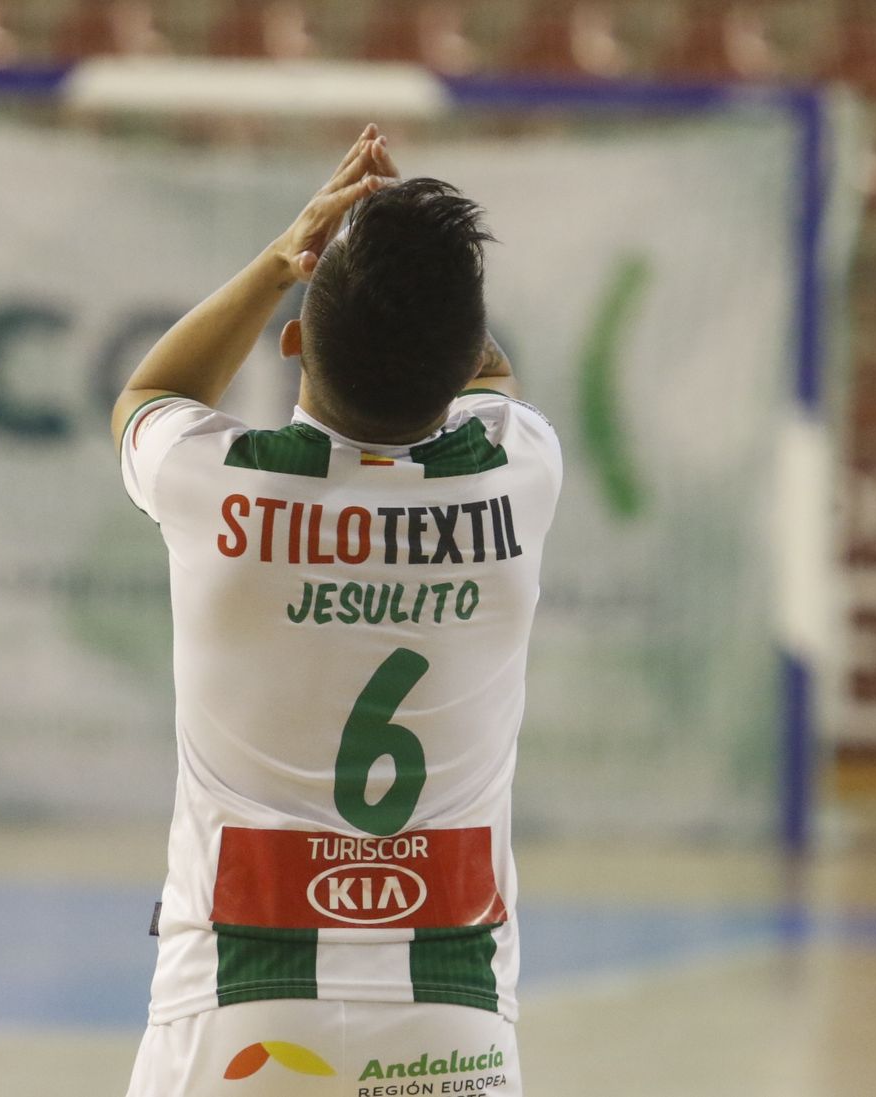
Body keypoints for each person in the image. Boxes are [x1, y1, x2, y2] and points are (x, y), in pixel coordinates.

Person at [113, 126, 560, 1094]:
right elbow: (486, 378)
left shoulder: (217, 484)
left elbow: (149, 391)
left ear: (293, 341)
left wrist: (285, 258)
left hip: (231, 1011)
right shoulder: (516, 473)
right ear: (461, 361)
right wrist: (428, 289)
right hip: (453, 1015)